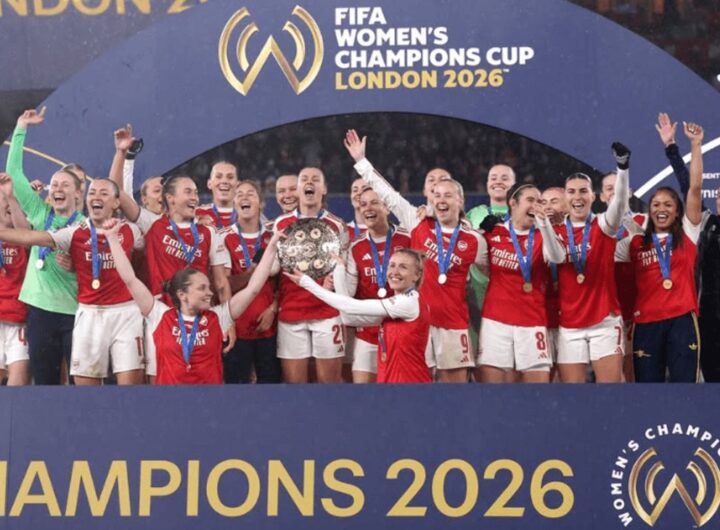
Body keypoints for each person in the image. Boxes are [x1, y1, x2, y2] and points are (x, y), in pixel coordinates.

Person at [345, 129, 487, 383]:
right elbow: (388, 194)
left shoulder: (475, 240)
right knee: (417, 388)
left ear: (460, 200)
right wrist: (361, 161)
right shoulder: (417, 221)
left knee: (454, 393)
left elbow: (491, 271)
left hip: (454, 324)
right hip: (418, 323)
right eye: (436, 195)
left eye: (448, 195)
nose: (441, 200)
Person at [0, 179, 146, 385]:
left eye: (104, 193)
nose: (96, 197)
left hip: (125, 313)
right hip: (88, 314)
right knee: (84, 391)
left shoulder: (132, 231)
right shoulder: (74, 232)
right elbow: (32, 237)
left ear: (116, 202)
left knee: (129, 388)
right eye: (92, 193)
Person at [105, 218, 281, 384]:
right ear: (182, 294)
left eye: (208, 287)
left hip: (208, 401)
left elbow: (253, 288)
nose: (209, 293)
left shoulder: (218, 317)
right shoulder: (160, 315)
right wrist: (112, 238)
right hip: (169, 400)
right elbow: (130, 279)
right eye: (202, 288)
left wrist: (272, 245)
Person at [616, 122, 704, 382]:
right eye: (655, 204)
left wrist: (695, 145)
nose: (661, 209)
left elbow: (695, 189)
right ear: (649, 210)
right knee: (647, 392)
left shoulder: (688, 234)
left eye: (668, 204)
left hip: (682, 322)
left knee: (685, 390)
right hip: (646, 323)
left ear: (677, 211)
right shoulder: (634, 243)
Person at [5, 108, 85, 384]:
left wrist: (75, 266)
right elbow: (14, 173)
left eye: (65, 185)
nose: (57, 188)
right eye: (54, 184)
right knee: (45, 383)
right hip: (39, 310)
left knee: (78, 382)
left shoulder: (85, 225)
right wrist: (21, 128)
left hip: (74, 312)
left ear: (78, 192)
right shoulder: (40, 213)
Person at [540, 143, 631, 383]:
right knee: (573, 396)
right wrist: (543, 223)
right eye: (571, 191)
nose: (578, 196)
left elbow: (620, 203)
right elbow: (555, 257)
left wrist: (622, 167)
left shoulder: (603, 224)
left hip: (605, 321)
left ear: (593, 196)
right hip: (570, 324)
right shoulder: (554, 230)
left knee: (610, 392)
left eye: (583, 191)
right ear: (565, 197)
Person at [288, 249, 431, 383]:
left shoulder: (408, 302)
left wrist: (308, 283)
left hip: (411, 385)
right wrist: (339, 270)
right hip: (391, 385)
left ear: (417, 275)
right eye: (392, 265)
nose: (395, 272)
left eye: (403, 267)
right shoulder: (397, 306)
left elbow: (350, 306)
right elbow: (348, 318)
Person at [656, 112, 720, 382]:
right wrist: (678, 147)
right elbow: (691, 186)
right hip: (709, 317)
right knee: (712, 381)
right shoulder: (706, 223)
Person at [476, 183, 560, 383]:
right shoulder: (493, 232)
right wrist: (478, 231)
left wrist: (545, 225)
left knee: (537, 391)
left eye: (539, 202)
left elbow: (557, 257)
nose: (536, 205)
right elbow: (479, 261)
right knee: (494, 391)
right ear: (513, 203)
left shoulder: (544, 234)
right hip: (495, 321)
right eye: (530, 200)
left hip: (532, 321)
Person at [272, 166, 349, 383]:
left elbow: (342, 267)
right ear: (298, 189)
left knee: (330, 386)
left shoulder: (337, 225)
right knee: (295, 387)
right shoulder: (281, 224)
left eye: (315, 179)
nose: (309, 182)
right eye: (304, 179)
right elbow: (275, 267)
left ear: (323, 189)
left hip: (327, 311)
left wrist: (334, 279)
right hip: (291, 311)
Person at [336, 188, 411, 383]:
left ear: (387, 208)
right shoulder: (356, 246)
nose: (367, 208)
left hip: (402, 332)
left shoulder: (408, 239)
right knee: (362, 393)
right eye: (363, 204)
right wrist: (337, 273)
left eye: (374, 202)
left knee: (402, 392)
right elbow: (349, 293)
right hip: (367, 333)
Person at [222, 180, 281, 383]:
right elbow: (224, 284)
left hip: (269, 328)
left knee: (271, 390)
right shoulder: (223, 237)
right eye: (239, 194)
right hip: (237, 330)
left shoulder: (274, 236)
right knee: (236, 391)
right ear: (233, 202)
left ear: (261, 203)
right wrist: (253, 273)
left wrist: (273, 308)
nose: (244, 197)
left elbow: (285, 283)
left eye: (250, 194)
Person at [465, 165, 517, 353]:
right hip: (478, 290)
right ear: (487, 184)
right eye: (493, 178)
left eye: (504, 178)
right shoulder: (474, 213)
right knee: (478, 351)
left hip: (512, 290)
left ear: (514, 184)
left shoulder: (522, 213)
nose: (498, 182)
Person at [0, 175, 31, 385]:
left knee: (18, 385)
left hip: (19, 320)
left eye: (12, 200)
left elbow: (26, 235)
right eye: (2, 199)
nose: (8, 204)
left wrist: (11, 196)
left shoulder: (27, 237)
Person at [195, 161, 240, 230]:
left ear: (238, 185)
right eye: (218, 177)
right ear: (209, 184)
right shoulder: (195, 215)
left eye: (230, 177)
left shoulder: (250, 216)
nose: (224, 181)